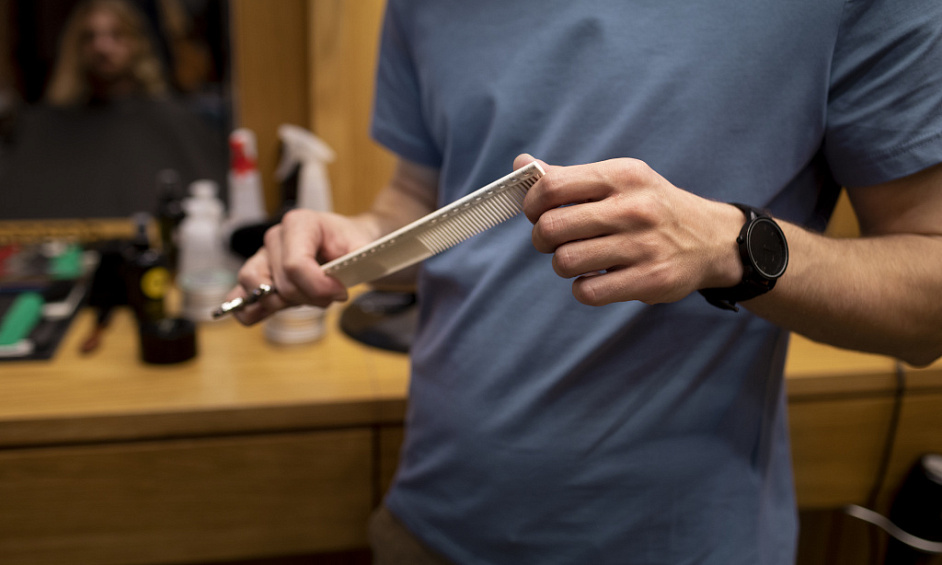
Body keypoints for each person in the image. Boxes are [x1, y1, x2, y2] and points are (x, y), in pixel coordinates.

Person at [229, 1, 942, 563]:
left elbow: (927, 303)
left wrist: (734, 246)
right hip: (430, 527)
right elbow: (416, 203)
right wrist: (356, 243)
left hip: (677, 545)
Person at [0, 0, 225, 219]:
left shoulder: (172, 120)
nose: (102, 47)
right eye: (90, 37)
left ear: (137, 43)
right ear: (75, 47)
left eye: (116, 35)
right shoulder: (44, 127)